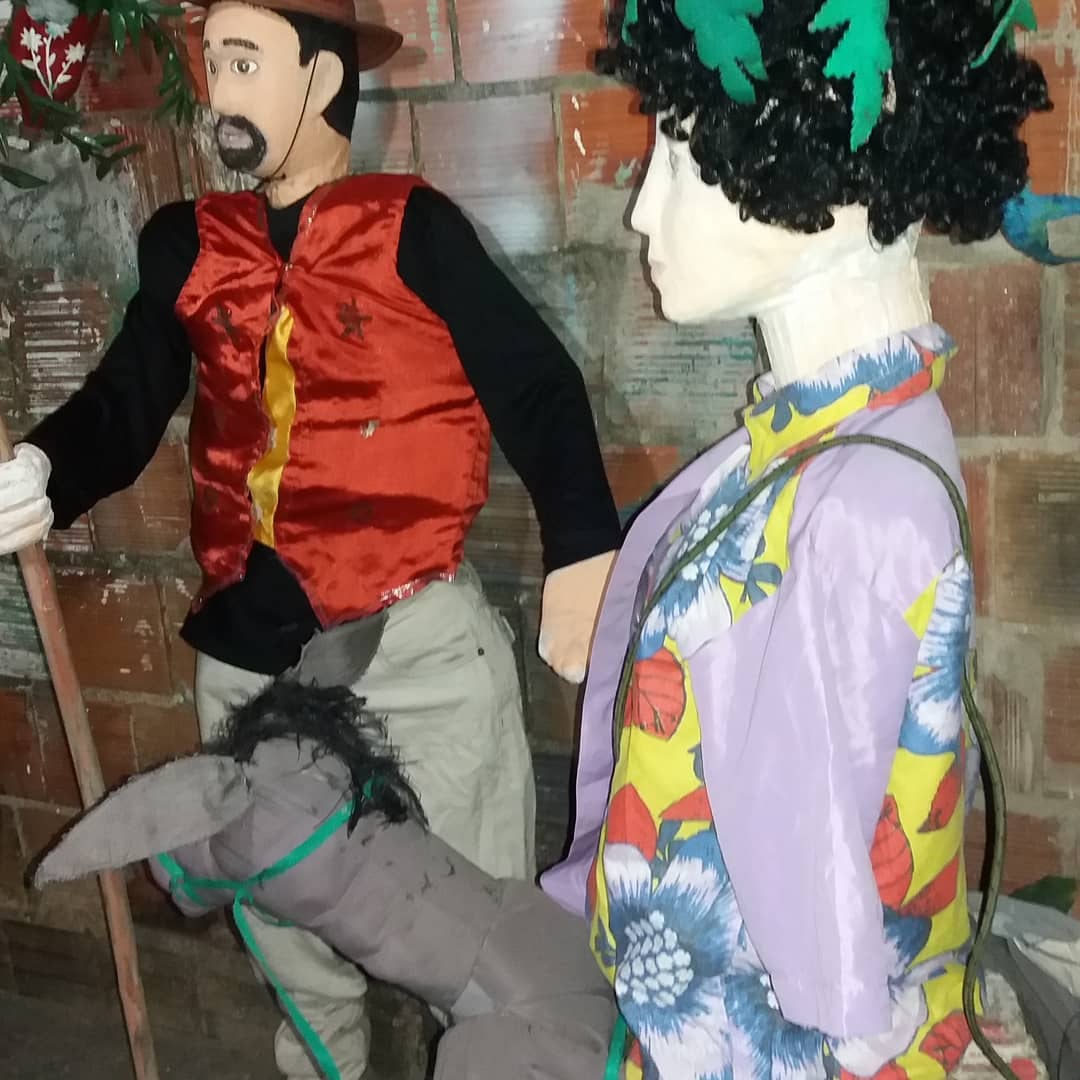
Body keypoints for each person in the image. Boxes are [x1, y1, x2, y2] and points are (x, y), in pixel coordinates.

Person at [0, 1, 620, 1075]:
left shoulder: (414, 230)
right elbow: (126, 400)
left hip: (414, 639)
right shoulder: (189, 246)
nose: (220, 93)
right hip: (249, 655)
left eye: (245, 64)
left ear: (323, 80)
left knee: (487, 936)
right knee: (288, 935)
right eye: (214, 64)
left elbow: (537, 386)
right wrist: (48, 471)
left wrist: (583, 551)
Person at [541, 1, 1050, 1077]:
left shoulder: (853, 501)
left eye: (682, 155)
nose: (643, 210)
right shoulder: (840, 446)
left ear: (835, 170)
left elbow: (816, 930)